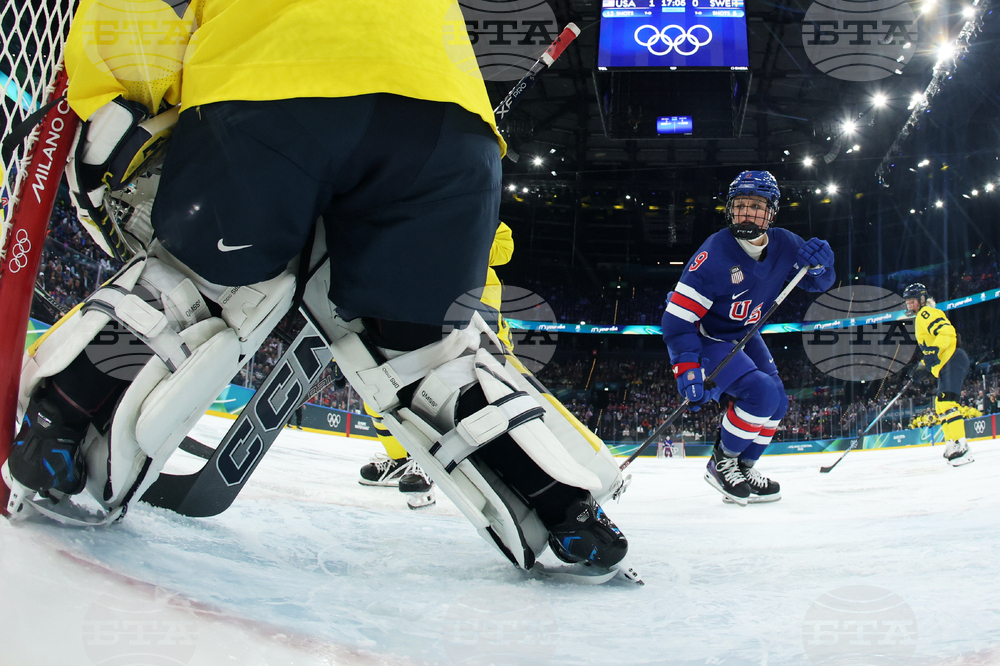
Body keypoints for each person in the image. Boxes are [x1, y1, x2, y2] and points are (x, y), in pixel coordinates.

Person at [5, 1, 630, 576]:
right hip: (450, 128)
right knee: (429, 357)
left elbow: (132, 13)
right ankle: (563, 511)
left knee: (195, 284)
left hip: (270, 84)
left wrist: (121, 102)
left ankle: (59, 429)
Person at [660, 171, 836, 505]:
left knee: (779, 402)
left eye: (756, 205)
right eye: (740, 205)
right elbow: (677, 321)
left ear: (771, 211)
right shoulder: (713, 256)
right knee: (762, 394)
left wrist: (823, 267)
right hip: (707, 336)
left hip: (744, 333)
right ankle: (721, 462)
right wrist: (685, 366)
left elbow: (818, 284)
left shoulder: (785, 243)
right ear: (730, 209)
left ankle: (744, 466)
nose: (746, 213)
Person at [903, 283, 975, 466]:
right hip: (947, 363)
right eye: (907, 302)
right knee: (940, 406)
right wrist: (922, 366)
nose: (909, 305)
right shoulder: (921, 317)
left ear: (921, 300)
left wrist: (933, 353)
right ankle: (952, 444)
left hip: (953, 359)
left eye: (912, 301)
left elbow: (947, 332)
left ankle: (963, 447)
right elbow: (932, 351)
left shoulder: (926, 313)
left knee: (948, 403)